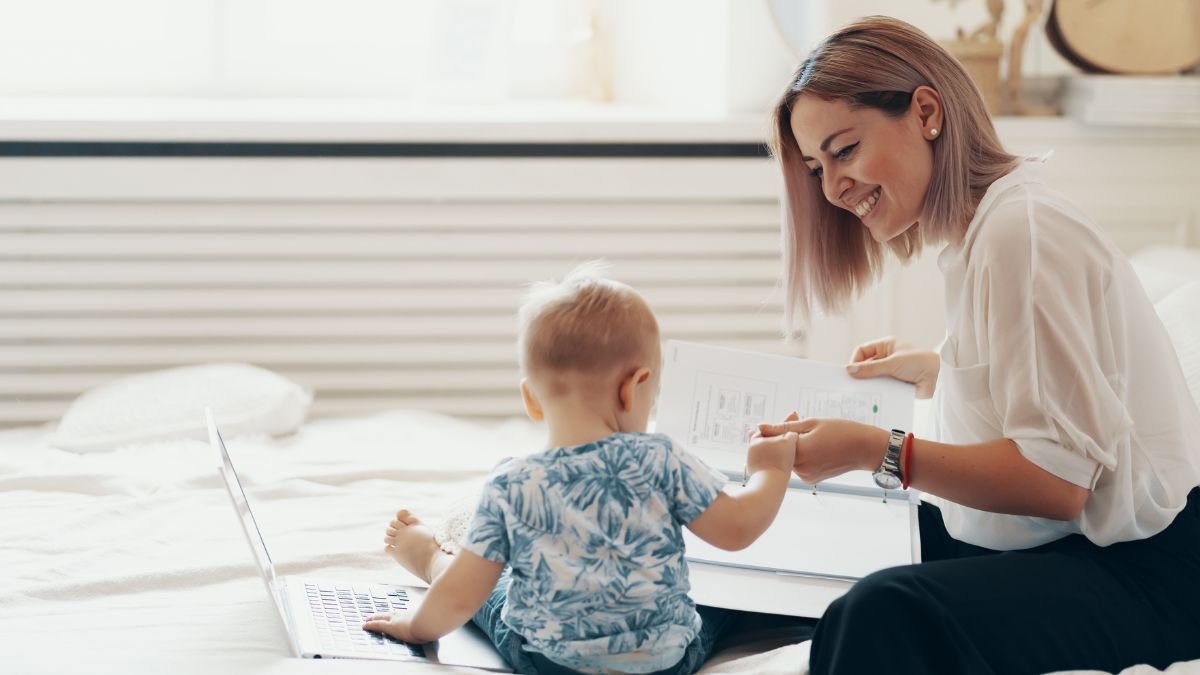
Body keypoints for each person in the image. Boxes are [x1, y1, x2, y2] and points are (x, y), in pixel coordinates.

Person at [759, 15, 1200, 675]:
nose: (830, 188)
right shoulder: (984, 233)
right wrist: (940, 369)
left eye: (844, 150)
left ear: (926, 112)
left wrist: (873, 450)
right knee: (809, 548)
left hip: (1145, 570)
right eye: (817, 166)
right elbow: (1061, 386)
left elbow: (1057, 481)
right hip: (1079, 545)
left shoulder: (1022, 235)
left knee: (882, 610)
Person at [361, 261, 801, 674]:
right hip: (663, 663)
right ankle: (436, 560)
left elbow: (459, 599)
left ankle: (436, 559)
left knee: (486, 585)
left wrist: (412, 629)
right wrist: (771, 470)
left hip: (552, 663)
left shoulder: (511, 484)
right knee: (724, 600)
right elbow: (738, 529)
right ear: (635, 388)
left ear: (530, 398)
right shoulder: (663, 458)